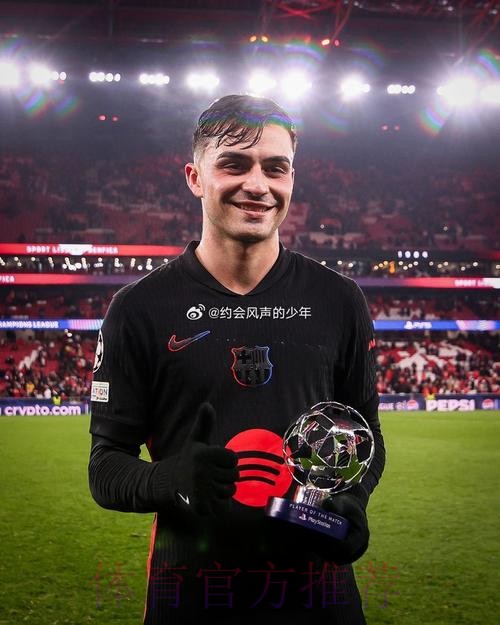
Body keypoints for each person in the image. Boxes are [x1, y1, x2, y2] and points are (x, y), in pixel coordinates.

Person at [88, 94, 385, 624]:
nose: (257, 184)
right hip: (193, 597)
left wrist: (351, 504)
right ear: (195, 178)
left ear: (292, 180)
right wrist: (170, 479)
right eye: (234, 164)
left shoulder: (339, 300)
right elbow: (105, 467)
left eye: (275, 168)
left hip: (320, 599)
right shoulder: (138, 309)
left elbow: (368, 434)